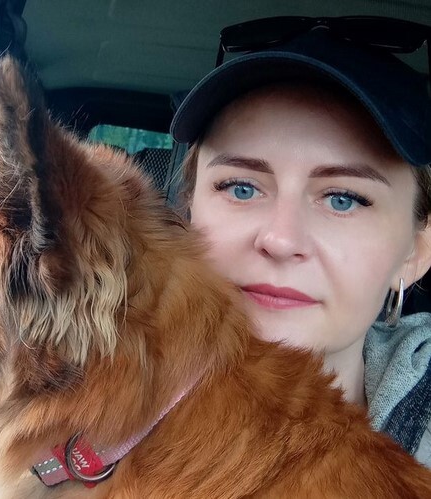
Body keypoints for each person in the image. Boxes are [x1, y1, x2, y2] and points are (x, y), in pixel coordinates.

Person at [170, 17, 431, 466]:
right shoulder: (77, 401)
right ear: (189, 213)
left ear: (416, 252)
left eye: (344, 199)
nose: (280, 239)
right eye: (241, 188)